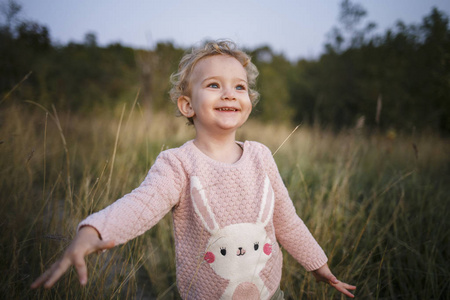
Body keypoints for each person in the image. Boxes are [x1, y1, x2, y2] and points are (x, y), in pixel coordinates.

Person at [31, 40, 356, 299]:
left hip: (267, 292)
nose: (229, 93)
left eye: (239, 87)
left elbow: (286, 219)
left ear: (249, 102)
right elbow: (139, 205)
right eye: (214, 85)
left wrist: (318, 265)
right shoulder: (178, 165)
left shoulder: (261, 156)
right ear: (187, 105)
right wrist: (91, 233)